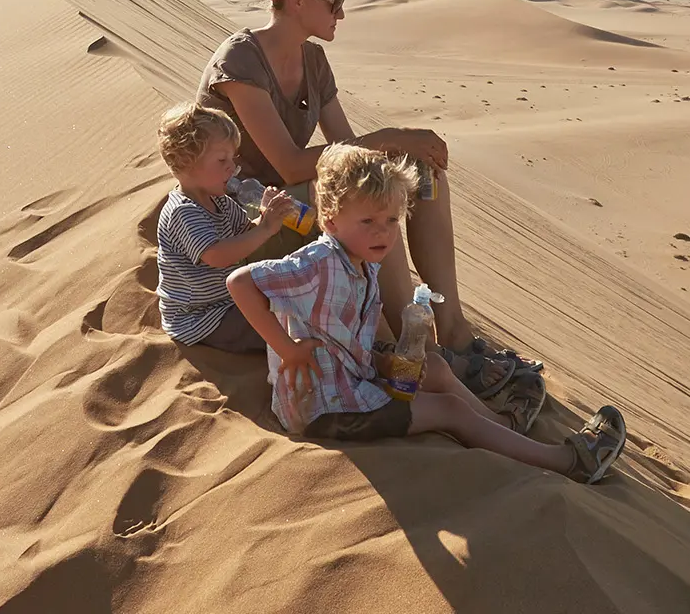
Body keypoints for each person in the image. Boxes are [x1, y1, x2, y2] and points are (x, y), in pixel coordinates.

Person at [198, 0, 540, 387]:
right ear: (299, 0)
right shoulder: (239, 61)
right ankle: (422, 353)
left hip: (298, 203)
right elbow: (292, 166)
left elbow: (347, 150)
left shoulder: (313, 62)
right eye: (334, 2)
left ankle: (453, 331)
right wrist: (391, 134)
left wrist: (402, 151)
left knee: (415, 175)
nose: (342, 13)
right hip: (252, 222)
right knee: (372, 195)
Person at [226, 144, 626, 483]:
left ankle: (503, 427)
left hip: (350, 382)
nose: (382, 232)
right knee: (447, 411)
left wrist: (380, 359)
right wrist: (287, 349)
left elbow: (342, 334)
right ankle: (570, 462)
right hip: (326, 409)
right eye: (367, 221)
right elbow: (240, 283)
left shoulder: (360, 259)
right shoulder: (318, 262)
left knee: (431, 369)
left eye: (391, 221)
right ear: (329, 220)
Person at [152, 104, 303, 353]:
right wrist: (264, 229)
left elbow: (243, 235)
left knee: (286, 306)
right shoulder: (183, 211)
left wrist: (266, 217)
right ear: (186, 162)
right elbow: (218, 256)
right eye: (222, 160)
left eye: (232, 159)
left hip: (229, 300)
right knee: (280, 325)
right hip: (202, 317)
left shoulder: (220, 200)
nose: (231, 167)